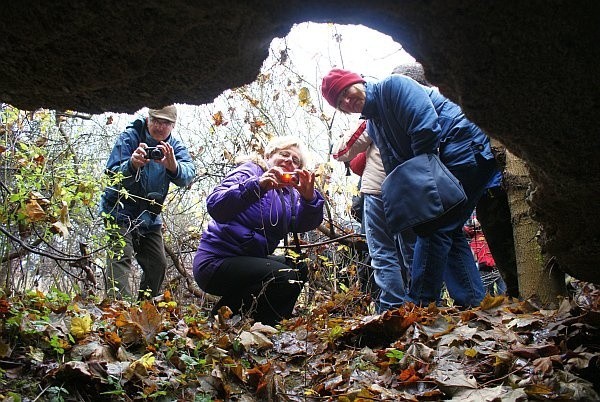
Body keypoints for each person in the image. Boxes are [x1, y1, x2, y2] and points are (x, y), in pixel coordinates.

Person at [321, 67, 497, 308]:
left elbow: (425, 128)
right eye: (340, 102)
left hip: (463, 145)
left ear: (358, 81)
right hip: (443, 159)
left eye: (345, 91)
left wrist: (419, 183)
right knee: (449, 229)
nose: (346, 101)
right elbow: (394, 165)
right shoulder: (374, 124)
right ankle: (472, 302)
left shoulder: (393, 86)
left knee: (434, 225)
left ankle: (420, 305)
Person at [192, 136, 325, 325]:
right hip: (217, 262)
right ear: (269, 155)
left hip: (250, 261)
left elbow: (302, 224)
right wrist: (258, 185)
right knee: (284, 275)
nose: (289, 161)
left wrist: (309, 199)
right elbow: (215, 204)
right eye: (284, 154)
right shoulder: (250, 171)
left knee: (299, 267)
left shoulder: (288, 194)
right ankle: (228, 320)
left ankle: (265, 325)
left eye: (295, 161)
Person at [100, 105, 196, 300]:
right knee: (121, 256)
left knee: (157, 264)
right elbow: (111, 175)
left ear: (173, 125)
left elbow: (188, 175)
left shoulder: (173, 147)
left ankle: (144, 311)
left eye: (165, 123)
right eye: (156, 121)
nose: (160, 127)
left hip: (149, 217)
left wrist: (173, 167)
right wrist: (132, 165)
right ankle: (118, 312)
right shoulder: (130, 137)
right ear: (147, 119)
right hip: (120, 210)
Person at [333, 120, 415, 313]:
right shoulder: (419, 107)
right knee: (412, 251)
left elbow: (341, 151)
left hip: (380, 190)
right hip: (413, 189)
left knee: (383, 253)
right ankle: (419, 305)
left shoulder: (375, 112)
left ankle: (391, 309)